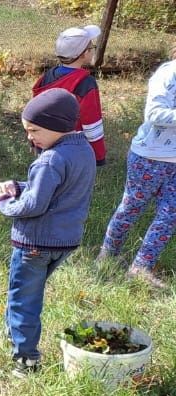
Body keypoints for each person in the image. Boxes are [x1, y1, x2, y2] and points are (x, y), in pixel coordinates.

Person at [0, 88, 96, 375]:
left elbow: (34, 206)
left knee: (24, 299)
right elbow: (57, 191)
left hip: (34, 244)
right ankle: (12, 334)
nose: (30, 136)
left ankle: (26, 359)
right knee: (27, 292)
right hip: (64, 242)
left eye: (34, 129)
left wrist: (5, 201)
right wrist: (20, 186)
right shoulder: (82, 150)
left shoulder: (50, 160)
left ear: (57, 125)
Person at [97, 47, 176, 289]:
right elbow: (154, 113)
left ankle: (141, 266)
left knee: (170, 215)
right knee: (131, 207)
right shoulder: (168, 74)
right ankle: (107, 255)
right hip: (149, 158)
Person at [34, 25, 106, 166]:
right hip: (74, 148)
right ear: (84, 54)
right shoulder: (85, 83)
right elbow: (91, 121)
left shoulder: (48, 76)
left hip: (47, 142)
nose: (92, 50)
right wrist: (98, 155)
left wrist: (37, 140)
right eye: (91, 48)